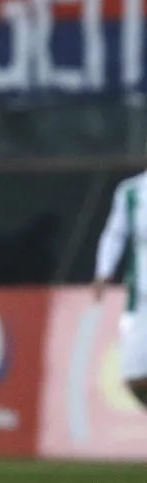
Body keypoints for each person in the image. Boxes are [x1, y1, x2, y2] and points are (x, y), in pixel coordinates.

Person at [92, 172, 147, 409]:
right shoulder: (132, 191)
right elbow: (115, 233)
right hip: (142, 297)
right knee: (134, 376)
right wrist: (104, 271)